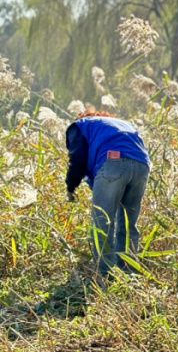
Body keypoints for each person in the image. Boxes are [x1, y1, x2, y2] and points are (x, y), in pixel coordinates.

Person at [65, 109, 151, 277]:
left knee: (102, 222)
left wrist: (70, 187)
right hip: (142, 165)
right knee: (128, 223)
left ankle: (105, 275)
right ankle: (129, 272)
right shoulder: (121, 124)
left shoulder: (80, 126)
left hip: (113, 161)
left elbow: (78, 159)